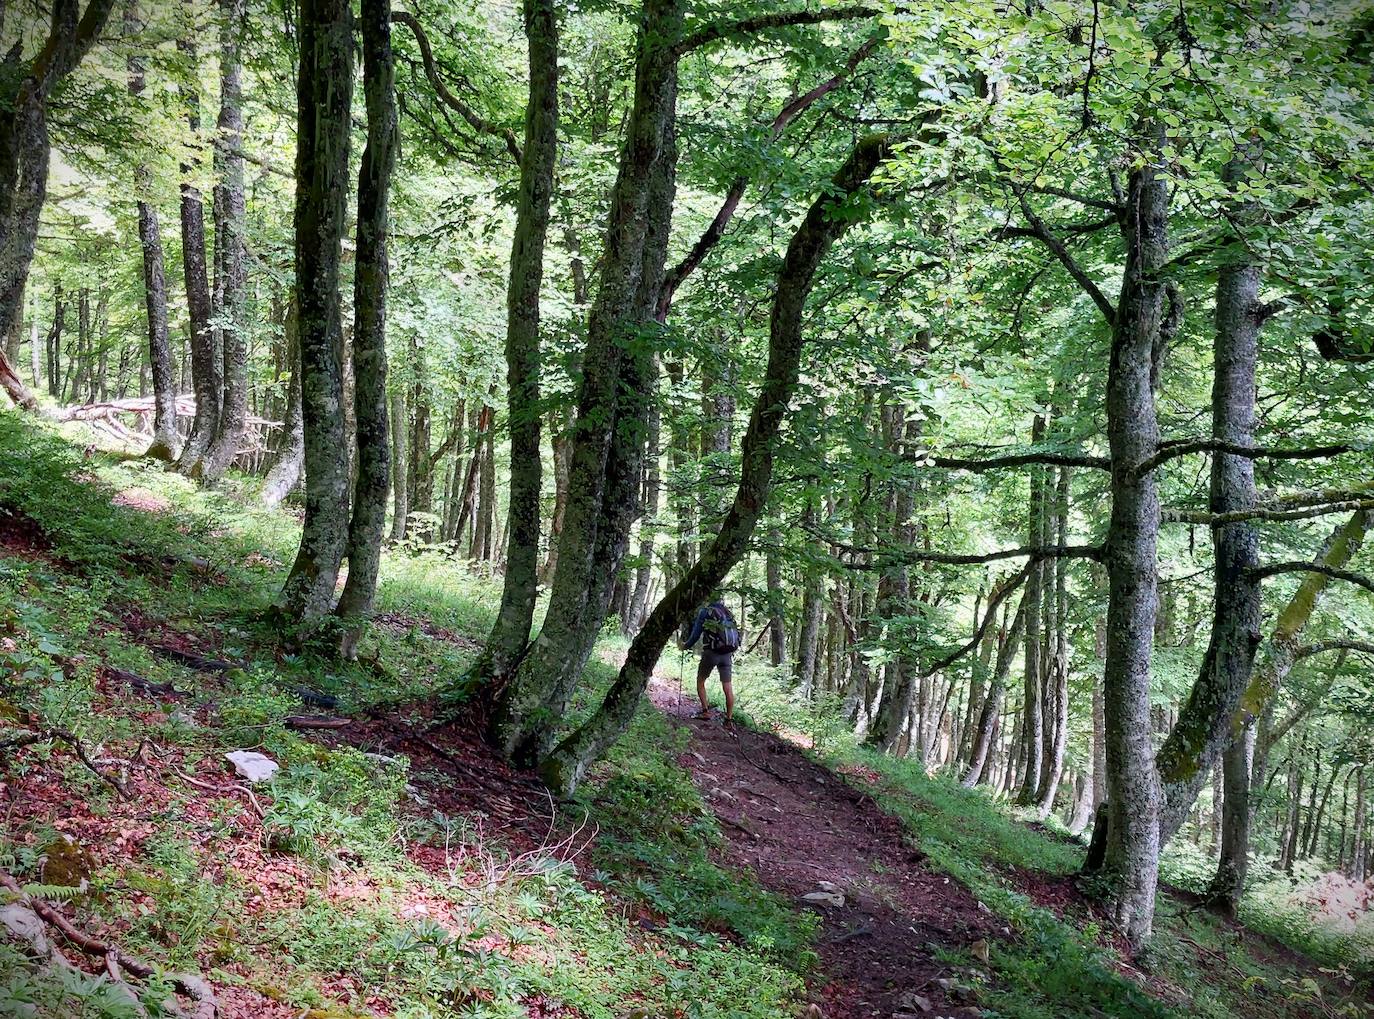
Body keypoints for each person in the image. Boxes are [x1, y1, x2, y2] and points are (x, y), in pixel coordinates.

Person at [683, 595, 740, 722]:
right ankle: (729, 719)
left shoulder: (705, 612)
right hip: (727, 654)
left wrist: (685, 646)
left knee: (700, 681)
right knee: (728, 687)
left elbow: (696, 634)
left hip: (711, 653)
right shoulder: (727, 612)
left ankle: (705, 712)